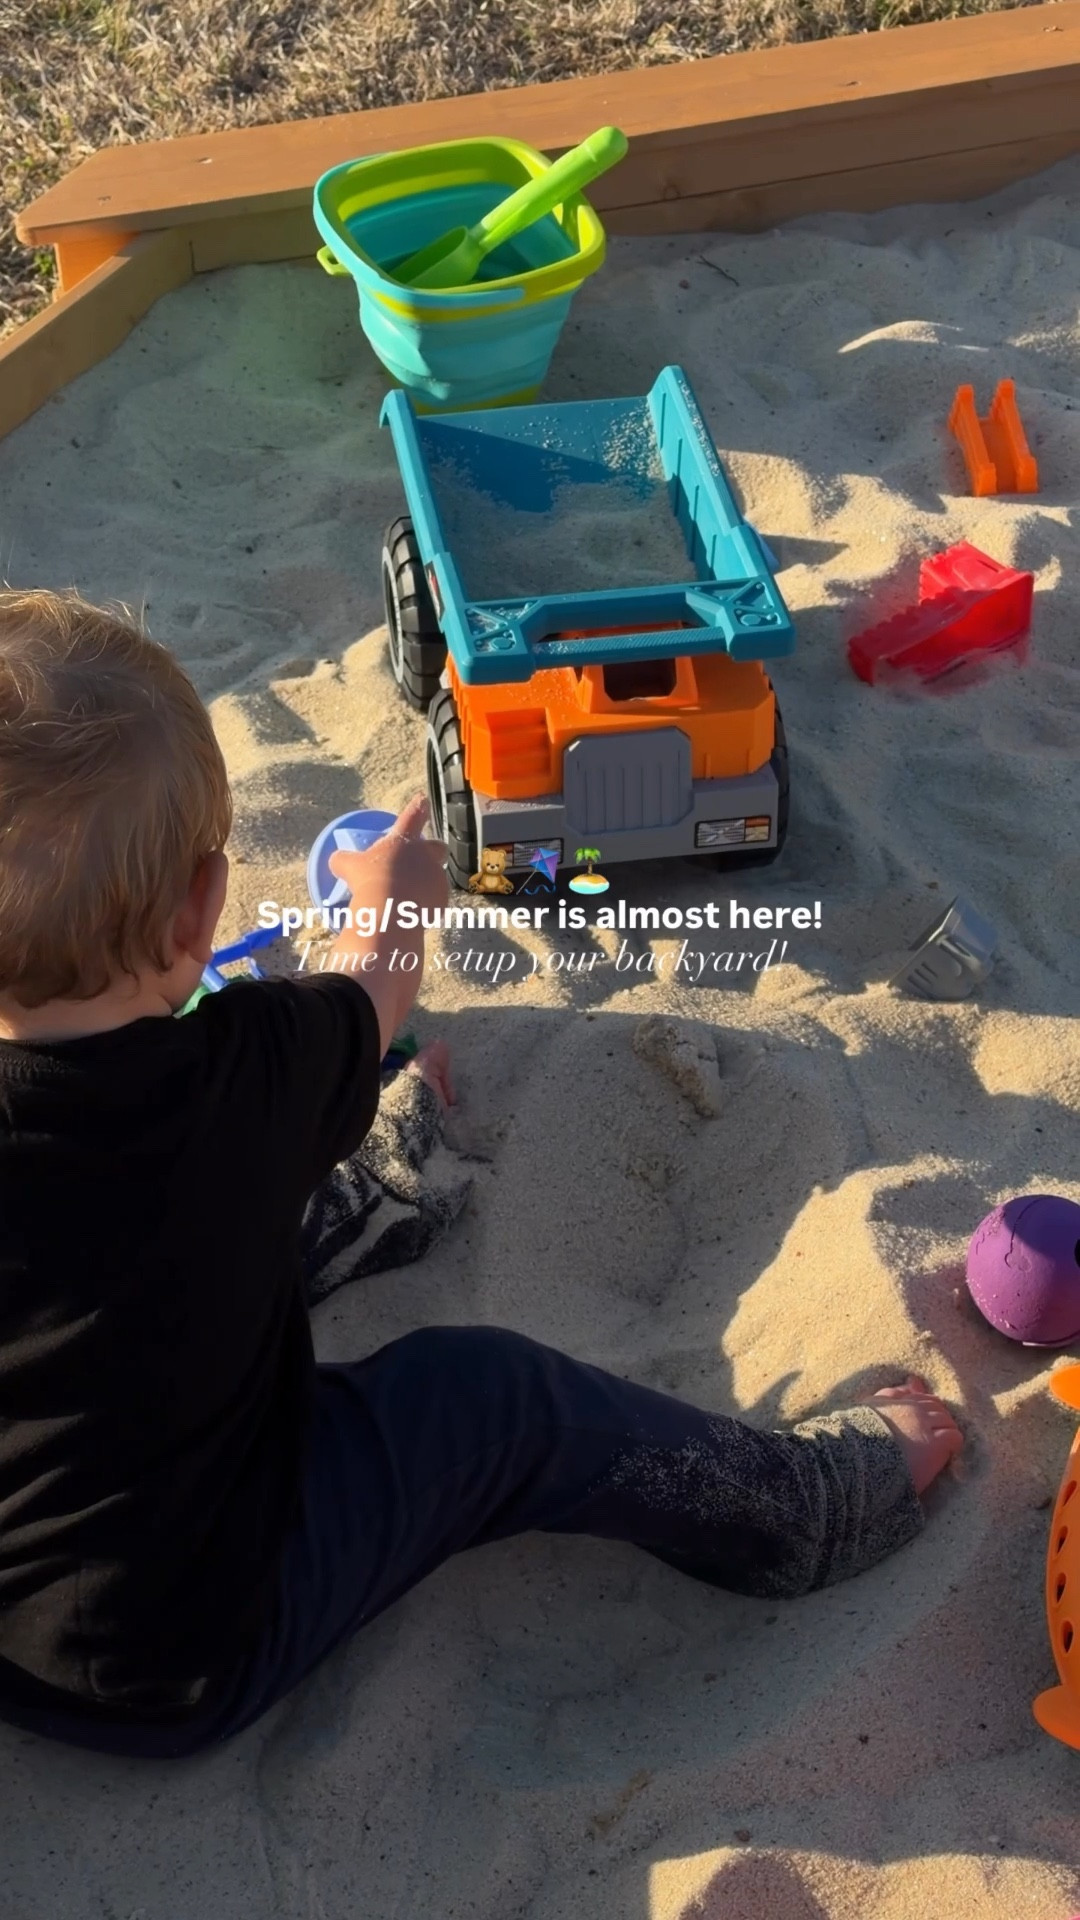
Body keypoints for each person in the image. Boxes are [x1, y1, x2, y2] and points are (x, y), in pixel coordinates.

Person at [0, 588, 963, 1762]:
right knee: (485, 1398)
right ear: (203, 914)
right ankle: (794, 1516)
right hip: (181, 1648)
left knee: (112, 1263)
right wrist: (394, 895)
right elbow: (377, 983)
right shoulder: (241, 1077)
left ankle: (349, 1212)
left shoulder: (233, 1103)